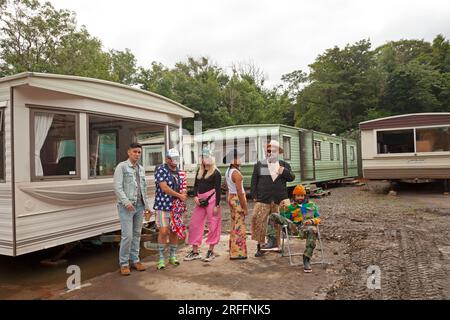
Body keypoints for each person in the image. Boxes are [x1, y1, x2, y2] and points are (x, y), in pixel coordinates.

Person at [250, 140, 295, 257]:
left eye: (273, 151)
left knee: (277, 223)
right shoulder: (260, 165)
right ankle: (260, 247)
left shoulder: (284, 165)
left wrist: (284, 171)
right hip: (263, 198)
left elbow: (292, 178)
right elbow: (254, 181)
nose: (271, 153)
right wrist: (254, 195)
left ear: (278, 152)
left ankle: (277, 246)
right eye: (269, 150)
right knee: (258, 221)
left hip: (280, 199)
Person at [113, 143, 150, 276]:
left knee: (136, 235)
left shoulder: (141, 169)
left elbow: (143, 189)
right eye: (135, 152)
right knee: (127, 236)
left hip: (140, 206)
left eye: (139, 152)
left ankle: (135, 260)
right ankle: (124, 263)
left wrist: (147, 206)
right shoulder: (122, 167)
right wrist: (126, 202)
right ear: (129, 152)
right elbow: (117, 187)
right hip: (126, 207)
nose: (137, 154)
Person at [268, 184, 321, 273]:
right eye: (298, 196)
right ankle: (272, 240)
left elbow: (318, 218)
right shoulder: (290, 207)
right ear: (294, 196)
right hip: (294, 228)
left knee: (313, 230)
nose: (300, 198)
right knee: (273, 215)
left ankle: (306, 258)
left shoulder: (312, 205)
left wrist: (311, 221)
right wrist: (281, 208)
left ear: (305, 196)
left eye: (302, 195)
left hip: (308, 228)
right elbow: (284, 218)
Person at [184, 148, 222, 262]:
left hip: (212, 199)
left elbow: (218, 190)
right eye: (202, 157)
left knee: (213, 224)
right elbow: (195, 185)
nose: (204, 159)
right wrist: (195, 196)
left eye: (206, 157)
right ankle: (195, 251)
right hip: (199, 200)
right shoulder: (199, 171)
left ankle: (211, 251)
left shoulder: (216, 172)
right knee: (195, 224)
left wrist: (217, 205)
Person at [154, 148, 188, 270]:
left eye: (176, 158)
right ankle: (161, 258)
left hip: (177, 207)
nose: (175, 161)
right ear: (167, 159)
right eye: (172, 158)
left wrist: (183, 193)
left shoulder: (180, 172)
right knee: (163, 231)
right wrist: (180, 195)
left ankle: (172, 256)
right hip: (163, 205)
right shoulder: (161, 170)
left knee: (174, 231)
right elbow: (164, 188)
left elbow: (183, 186)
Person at [224, 149, 248, 260]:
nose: (240, 159)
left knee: (234, 225)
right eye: (238, 157)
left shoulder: (228, 171)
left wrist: (229, 198)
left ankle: (232, 249)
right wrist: (244, 207)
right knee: (239, 227)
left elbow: (225, 186)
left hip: (231, 197)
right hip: (238, 199)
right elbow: (240, 191)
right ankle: (238, 253)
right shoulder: (236, 173)